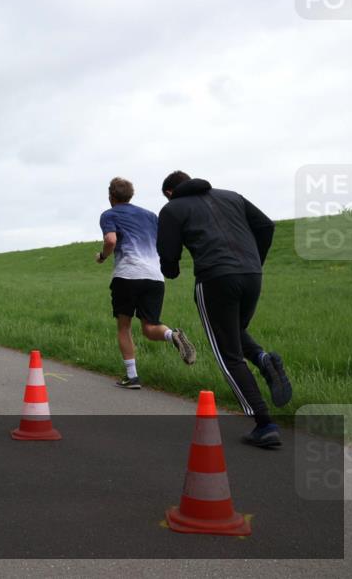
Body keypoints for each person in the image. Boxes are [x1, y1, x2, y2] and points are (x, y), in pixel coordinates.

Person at [157, 171, 292, 448]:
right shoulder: (232, 196)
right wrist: (255, 260)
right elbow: (266, 226)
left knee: (227, 353)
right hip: (252, 275)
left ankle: (264, 424)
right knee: (234, 332)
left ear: (170, 192)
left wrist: (170, 270)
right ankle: (263, 358)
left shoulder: (172, 208)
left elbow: (168, 255)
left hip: (215, 278)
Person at [97, 177, 196, 389]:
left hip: (128, 275)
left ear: (111, 197)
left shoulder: (109, 214)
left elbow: (111, 240)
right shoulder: (151, 216)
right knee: (150, 327)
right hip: (154, 276)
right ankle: (172, 335)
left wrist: (103, 256)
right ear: (131, 195)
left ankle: (132, 377)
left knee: (124, 327)